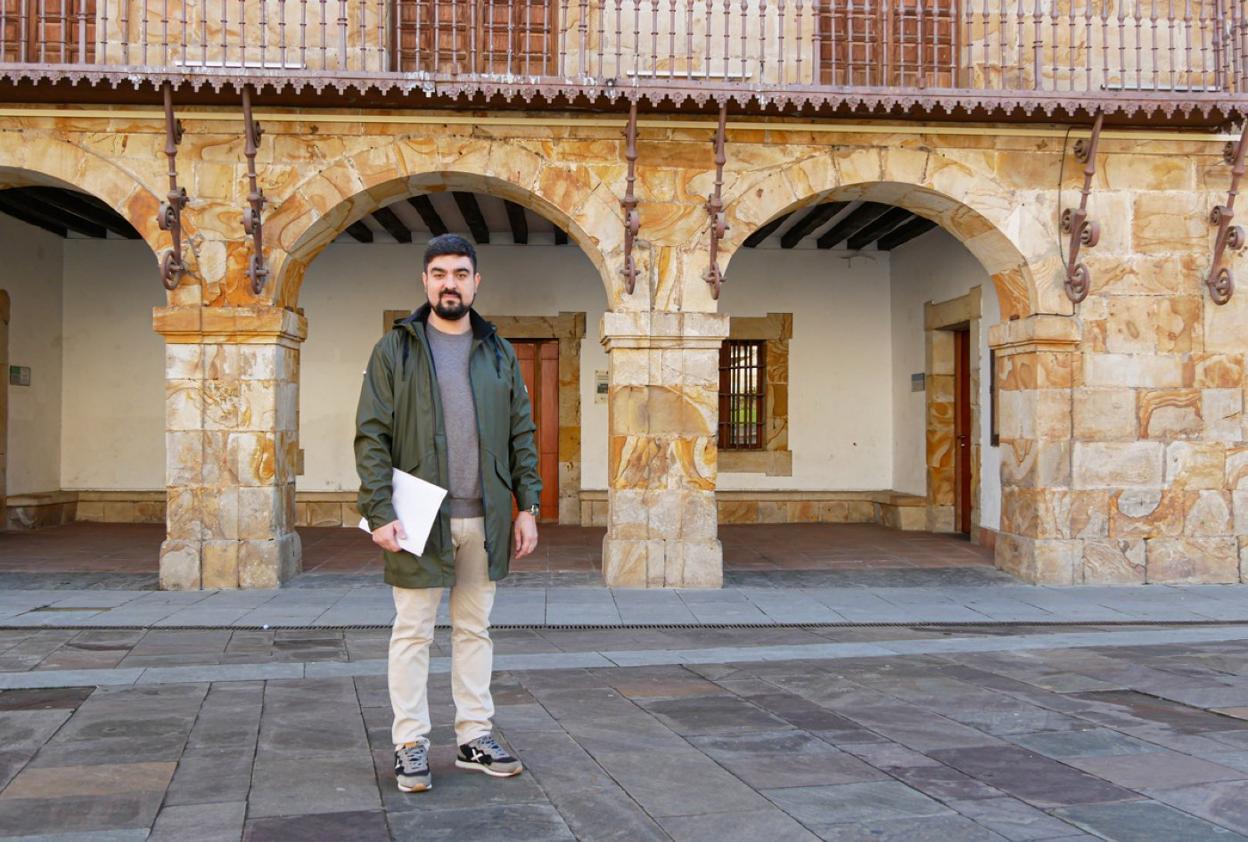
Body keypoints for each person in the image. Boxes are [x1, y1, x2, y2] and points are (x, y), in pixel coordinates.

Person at [354, 232, 542, 793]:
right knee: (412, 632)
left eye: (460, 273)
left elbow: (522, 433)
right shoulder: (395, 349)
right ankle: (409, 743)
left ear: (475, 282)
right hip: (418, 519)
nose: (449, 284)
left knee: (474, 630)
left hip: (485, 519)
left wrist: (528, 505)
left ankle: (474, 737)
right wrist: (378, 509)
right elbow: (372, 435)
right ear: (425, 281)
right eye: (439, 274)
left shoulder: (498, 352)